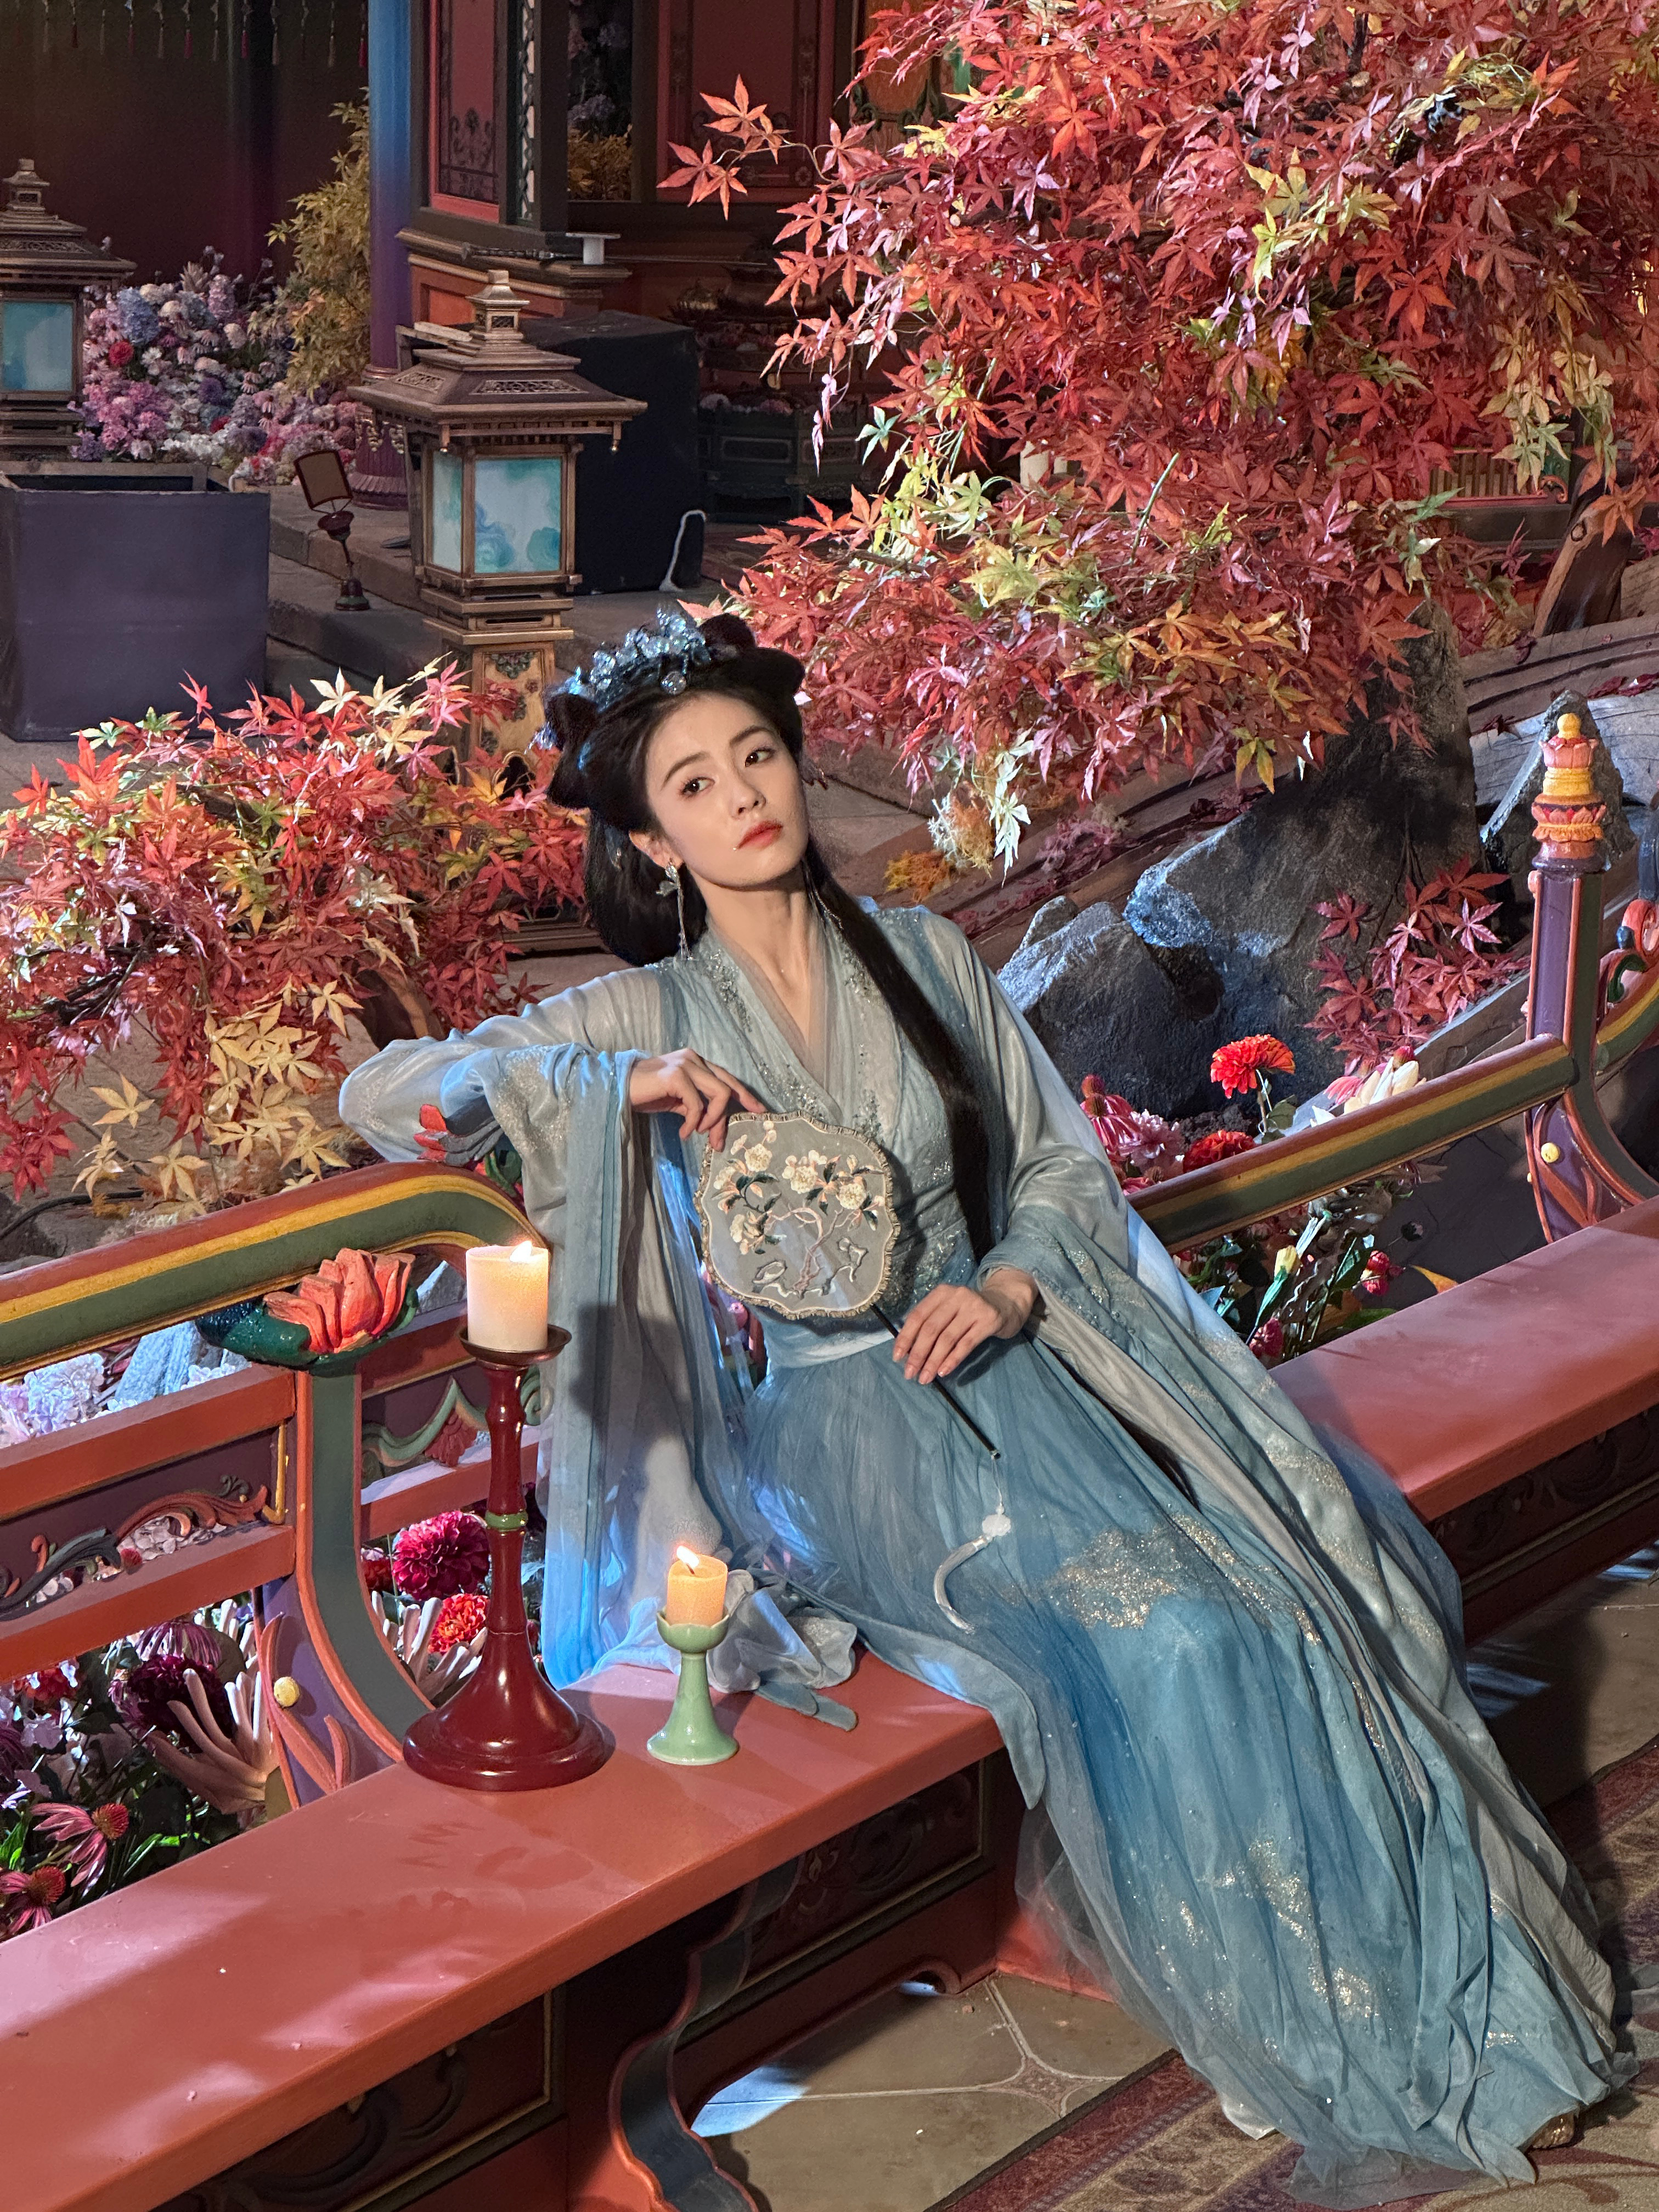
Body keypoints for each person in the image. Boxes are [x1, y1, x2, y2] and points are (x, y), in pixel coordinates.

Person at [340, 612, 1630, 2207]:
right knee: (1176, 1634)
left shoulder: (926, 958)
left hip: (1025, 1372)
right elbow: (384, 1095)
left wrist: (1011, 1284)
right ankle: (1311, 2037)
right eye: (696, 784)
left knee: (1291, 1595)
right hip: (843, 1443)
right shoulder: (645, 1015)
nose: (746, 797)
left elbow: (1057, 1172)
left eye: (760, 756)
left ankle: (1440, 2015)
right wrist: (624, 1087)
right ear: (654, 841)